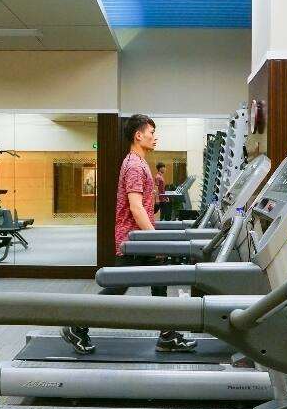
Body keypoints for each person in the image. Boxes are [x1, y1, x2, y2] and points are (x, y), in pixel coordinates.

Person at [61, 114, 196, 355]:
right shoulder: (134, 165)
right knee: (117, 288)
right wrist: (156, 240)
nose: (155, 137)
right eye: (151, 133)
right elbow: (136, 207)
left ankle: (167, 336)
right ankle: (76, 325)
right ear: (138, 135)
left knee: (159, 281)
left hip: (139, 239)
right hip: (134, 241)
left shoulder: (138, 162)